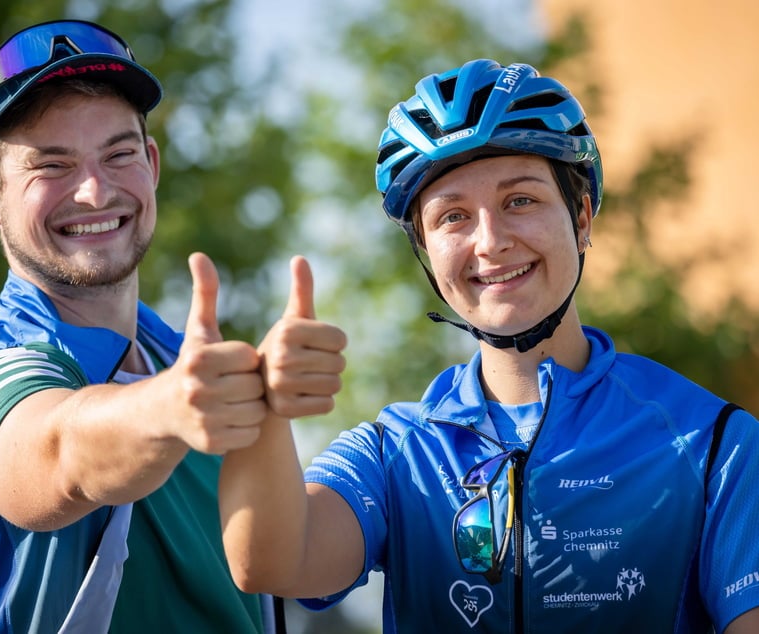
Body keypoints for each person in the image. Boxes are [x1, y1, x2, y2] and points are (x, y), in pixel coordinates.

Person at [220, 59, 759, 633]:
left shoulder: (715, 442)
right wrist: (267, 414)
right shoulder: (395, 452)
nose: (491, 242)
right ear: (427, 254)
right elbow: (272, 561)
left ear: (580, 219)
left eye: (520, 200)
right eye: (453, 216)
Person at [0, 19, 344, 633]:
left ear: (153, 164)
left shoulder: (195, 365)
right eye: (50, 165)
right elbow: (60, 452)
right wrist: (170, 407)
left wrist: (269, 409)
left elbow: (282, 570)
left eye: (118, 154)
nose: (93, 190)